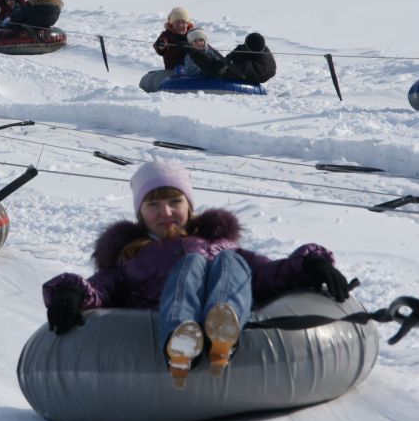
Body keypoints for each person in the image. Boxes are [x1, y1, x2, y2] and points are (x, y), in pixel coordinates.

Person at [42, 159, 350, 389]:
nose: (166, 213)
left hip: (226, 304)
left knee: (233, 262)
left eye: (175, 201)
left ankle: (223, 323)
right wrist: (70, 293)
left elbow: (269, 274)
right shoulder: (129, 258)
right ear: (140, 214)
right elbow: (100, 289)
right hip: (162, 320)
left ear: (190, 206)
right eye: (154, 205)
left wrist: (312, 263)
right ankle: (182, 336)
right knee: (191, 265)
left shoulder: (219, 245)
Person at [141, 7, 195, 93]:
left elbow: (205, 46)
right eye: (177, 22)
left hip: (193, 70)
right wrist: (162, 45)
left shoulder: (193, 35)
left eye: (183, 22)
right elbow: (160, 45)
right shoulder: (167, 35)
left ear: (188, 24)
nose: (181, 25)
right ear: (172, 24)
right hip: (173, 70)